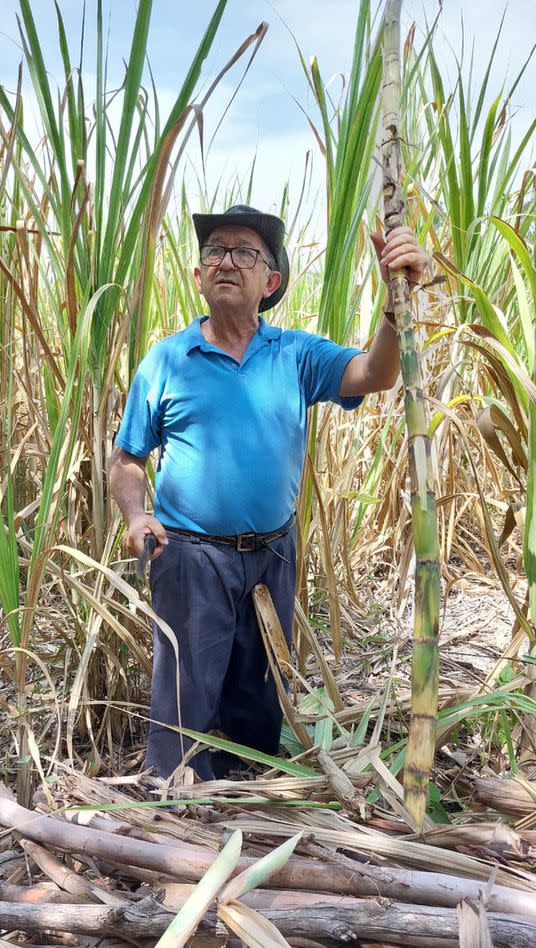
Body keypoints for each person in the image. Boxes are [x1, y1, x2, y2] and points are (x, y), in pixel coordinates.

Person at [109, 204, 429, 781]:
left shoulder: (296, 355)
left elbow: (375, 375)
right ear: (199, 275)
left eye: (245, 252)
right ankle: (171, 817)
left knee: (259, 696)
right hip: (189, 557)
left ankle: (248, 801)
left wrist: (393, 303)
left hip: (272, 556)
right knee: (184, 699)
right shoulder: (166, 361)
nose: (227, 260)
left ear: (270, 281)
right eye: (216, 251)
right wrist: (137, 515)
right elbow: (127, 459)